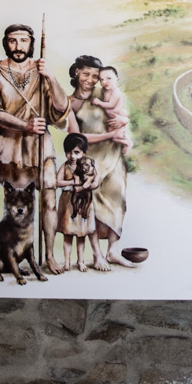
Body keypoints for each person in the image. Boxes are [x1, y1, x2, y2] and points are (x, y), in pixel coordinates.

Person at [0, 23, 68, 195]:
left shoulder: (42, 70)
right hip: (8, 148)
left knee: (49, 194)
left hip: (40, 145)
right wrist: (25, 126)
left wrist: (51, 76)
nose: (18, 47)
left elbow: (61, 107)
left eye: (23, 41)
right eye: (13, 41)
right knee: (17, 202)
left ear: (31, 43)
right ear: (6, 43)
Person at [63, 55, 136, 268]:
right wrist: (109, 135)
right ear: (76, 72)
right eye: (86, 74)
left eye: (95, 76)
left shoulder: (104, 92)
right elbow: (75, 137)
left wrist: (124, 119)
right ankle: (96, 255)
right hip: (90, 161)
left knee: (117, 200)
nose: (91, 80)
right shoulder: (70, 103)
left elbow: (121, 111)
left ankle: (112, 251)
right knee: (92, 206)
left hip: (114, 155)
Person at [52, 134, 101, 272]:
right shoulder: (66, 166)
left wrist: (87, 186)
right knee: (67, 234)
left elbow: (96, 182)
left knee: (81, 234)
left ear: (83, 153)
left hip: (83, 203)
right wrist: (73, 182)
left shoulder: (88, 166)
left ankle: (80, 261)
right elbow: (57, 182)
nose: (72, 156)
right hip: (68, 203)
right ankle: (67, 262)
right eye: (69, 152)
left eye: (77, 152)